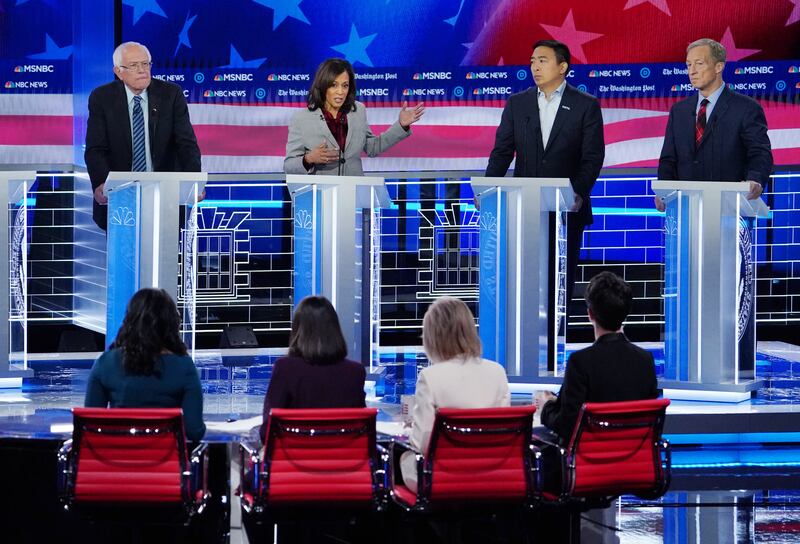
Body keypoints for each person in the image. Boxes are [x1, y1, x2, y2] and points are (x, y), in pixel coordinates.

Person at [485, 39, 605, 334]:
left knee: (561, 280)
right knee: (524, 277)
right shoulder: (518, 103)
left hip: (568, 209)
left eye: (542, 60)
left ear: (562, 67)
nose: (534, 66)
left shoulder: (585, 105)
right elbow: (502, 151)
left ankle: (556, 338)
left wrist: (576, 192)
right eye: (532, 61)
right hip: (525, 209)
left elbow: (593, 157)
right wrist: (487, 190)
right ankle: (523, 335)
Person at [85, 41, 202, 230]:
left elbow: (186, 144)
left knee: (162, 255)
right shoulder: (102, 98)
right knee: (124, 255)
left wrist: (193, 183)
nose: (142, 70)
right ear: (118, 71)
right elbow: (96, 148)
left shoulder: (170, 94)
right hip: (120, 194)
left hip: (164, 193)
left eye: (146, 64)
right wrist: (101, 184)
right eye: (134, 65)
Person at [400, 297, 510, 493]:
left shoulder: (430, 377)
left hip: (444, 478)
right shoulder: (497, 372)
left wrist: (410, 431)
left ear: (433, 337)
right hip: (492, 474)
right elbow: (503, 435)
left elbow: (421, 444)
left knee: (402, 459)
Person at [537, 271, 658, 441]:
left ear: (590, 314)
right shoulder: (645, 360)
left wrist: (546, 407)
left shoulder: (580, 362)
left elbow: (567, 426)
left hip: (590, 463)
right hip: (632, 460)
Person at [656, 38, 773, 211]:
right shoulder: (679, 111)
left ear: (718, 67)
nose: (692, 71)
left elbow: (760, 152)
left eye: (699, 64)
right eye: (688, 65)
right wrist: (663, 190)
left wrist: (754, 179)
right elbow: (668, 159)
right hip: (685, 209)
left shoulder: (746, 108)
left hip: (730, 209)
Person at [84, 288, 206, 441]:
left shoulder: (105, 363)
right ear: (171, 324)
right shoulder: (184, 367)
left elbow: (89, 426)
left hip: (115, 461)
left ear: (129, 320)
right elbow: (194, 431)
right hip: (165, 463)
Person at [284, 58, 425, 176]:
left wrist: (401, 125)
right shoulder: (301, 119)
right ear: (323, 86)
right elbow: (289, 167)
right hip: (319, 197)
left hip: (353, 194)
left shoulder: (358, 111)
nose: (340, 92)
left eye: (345, 86)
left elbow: (372, 148)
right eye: (334, 85)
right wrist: (309, 159)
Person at [259, 295, 366, 443]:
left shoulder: (285, 369)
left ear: (298, 331)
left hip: (293, 461)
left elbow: (267, 432)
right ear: (335, 330)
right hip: (343, 462)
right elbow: (361, 429)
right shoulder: (355, 372)